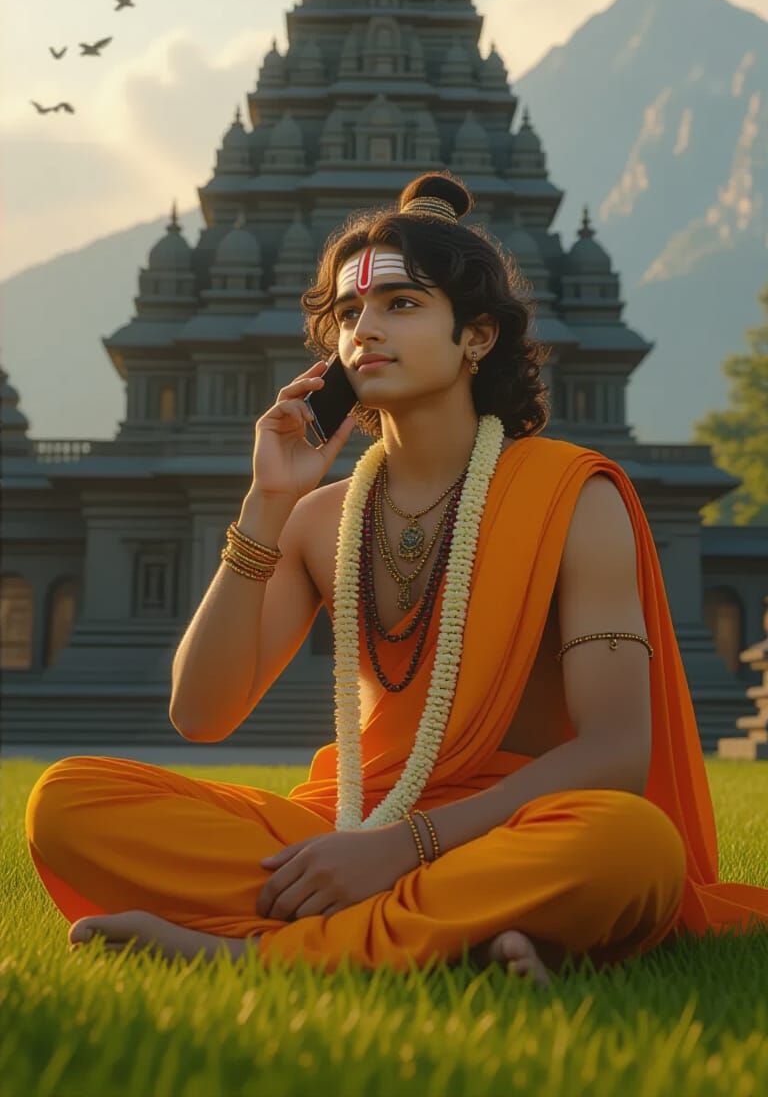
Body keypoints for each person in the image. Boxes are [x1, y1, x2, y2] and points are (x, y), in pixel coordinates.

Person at [25, 171, 768, 983]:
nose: (364, 332)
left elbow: (619, 753)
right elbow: (200, 713)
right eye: (349, 314)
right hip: (347, 821)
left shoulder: (572, 496)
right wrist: (267, 504)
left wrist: (402, 849)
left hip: (511, 825)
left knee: (630, 847)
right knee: (68, 802)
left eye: (401, 305)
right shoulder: (318, 518)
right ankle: (471, 940)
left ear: (476, 338)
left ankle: (260, 952)